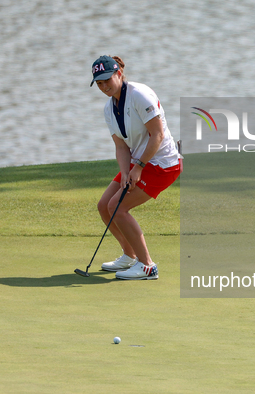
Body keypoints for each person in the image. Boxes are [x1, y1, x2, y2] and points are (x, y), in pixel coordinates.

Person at [90, 55, 181, 280]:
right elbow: (121, 147)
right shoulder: (109, 109)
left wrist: (138, 167)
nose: (103, 86)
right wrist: (126, 172)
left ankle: (147, 266)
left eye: (106, 80)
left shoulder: (140, 95)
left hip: (162, 163)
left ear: (119, 74)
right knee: (104, 206)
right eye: (99, 83)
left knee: (118, 208)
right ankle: (129, 255)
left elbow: (157, 134)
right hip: (138, 163)